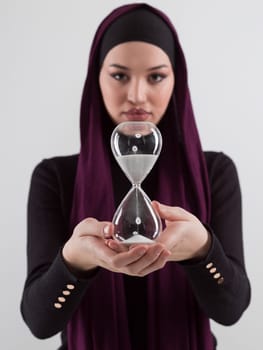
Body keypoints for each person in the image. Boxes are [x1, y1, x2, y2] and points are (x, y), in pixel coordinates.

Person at [20, 3, 251, 350]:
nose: (136, 95)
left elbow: (231, 310)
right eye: (119, 75)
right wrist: (74, 262)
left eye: (156, 76)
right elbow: (39, 322)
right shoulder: (55, 177)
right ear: (96, 78)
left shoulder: (215, 172)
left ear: (177, 80)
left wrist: (202, 250)